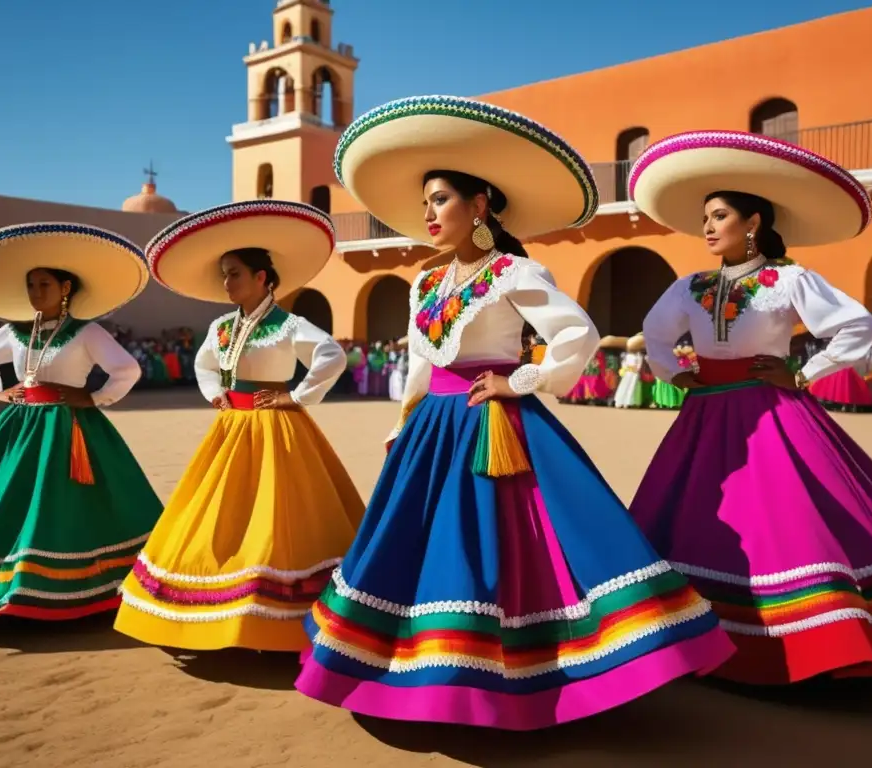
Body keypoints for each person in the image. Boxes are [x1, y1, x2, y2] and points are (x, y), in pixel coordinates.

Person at [294, 95, 733, 731]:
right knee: (420, 549)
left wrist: (519, 380)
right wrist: (402, 422)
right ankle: (416, 672)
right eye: (426, 202)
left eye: (441, 198)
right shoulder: (425, 282)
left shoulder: (512, 272)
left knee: (507, 550)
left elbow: (576, 335)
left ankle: (514, 678)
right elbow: (420, 361)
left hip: (491, 423)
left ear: (480, 206)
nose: (429, 212)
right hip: (431, 429)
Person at [627, 130, 872, 684]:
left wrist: (803, 373)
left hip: (772, 410)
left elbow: (856, 326)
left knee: (783, 516)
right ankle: (694, 634)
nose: (708, 226)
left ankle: (812, 643)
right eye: (705, 217)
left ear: (752, 222)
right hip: (705, 413)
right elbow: (655, 332)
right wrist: (673, 372)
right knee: (704, 513)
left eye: (719, 215)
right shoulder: (692, 286)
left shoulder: (788, 279)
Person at [113, 200, 365, 651]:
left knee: (280, 516)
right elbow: (204, 364)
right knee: (221, 513)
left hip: (276, 427)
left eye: (234, 273)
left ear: (262, 278)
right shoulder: (221, 327)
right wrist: (215, 394)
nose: (226, 282)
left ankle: (276, 619)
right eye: (224, 274)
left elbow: (331, 355)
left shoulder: (289, 324)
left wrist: (296, 395)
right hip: (232, 428)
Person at [0, 222, 161, 620]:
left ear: (65, 289)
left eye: (44, 285)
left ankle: (69, 585)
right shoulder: (14, 331)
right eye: (31, 286)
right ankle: (2, 581)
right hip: (20, 428)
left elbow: (127, 369)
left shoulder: (87, 332)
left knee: (62, 502)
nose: (36, 294)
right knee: (9, 496)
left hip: (68, 428)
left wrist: (93, 397)